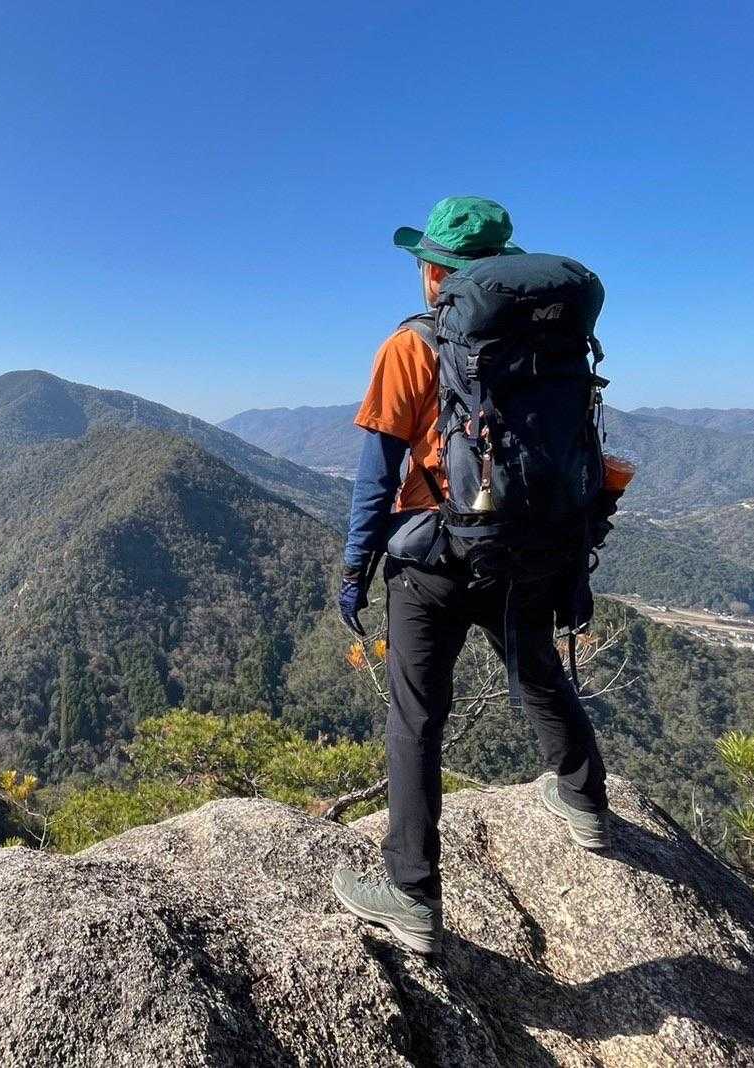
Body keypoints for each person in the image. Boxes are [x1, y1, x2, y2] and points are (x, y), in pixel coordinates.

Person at [329, 196, 610, 955]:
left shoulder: (411, 346)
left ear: (436, 272)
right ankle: (584, 800)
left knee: (416, 717)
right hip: (530, 543)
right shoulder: (551, 341)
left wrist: (356, 567)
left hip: (435, 559)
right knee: (535, 666)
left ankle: (412, 893)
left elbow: (375, 475)